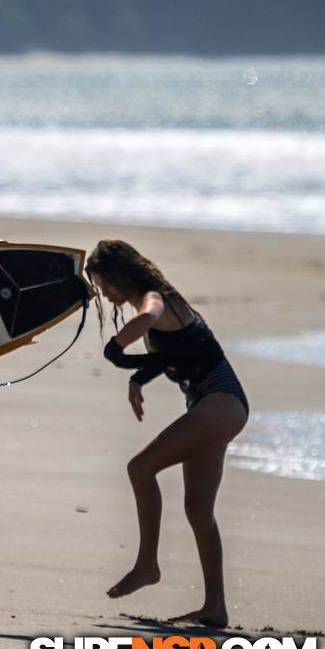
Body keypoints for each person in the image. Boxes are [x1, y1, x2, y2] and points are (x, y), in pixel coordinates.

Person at [87, 239, 248, 627]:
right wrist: (139, 378)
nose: (105, 294)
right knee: (198, 509)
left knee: (140, 468)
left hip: (218, 402)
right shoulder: (171, 303)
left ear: (120, 274)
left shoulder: (156, 299)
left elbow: (147, 315)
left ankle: (147, 565)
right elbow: (176, 356)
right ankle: (215, 607)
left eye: (105, 284)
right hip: (220, 406)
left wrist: (117, 344)